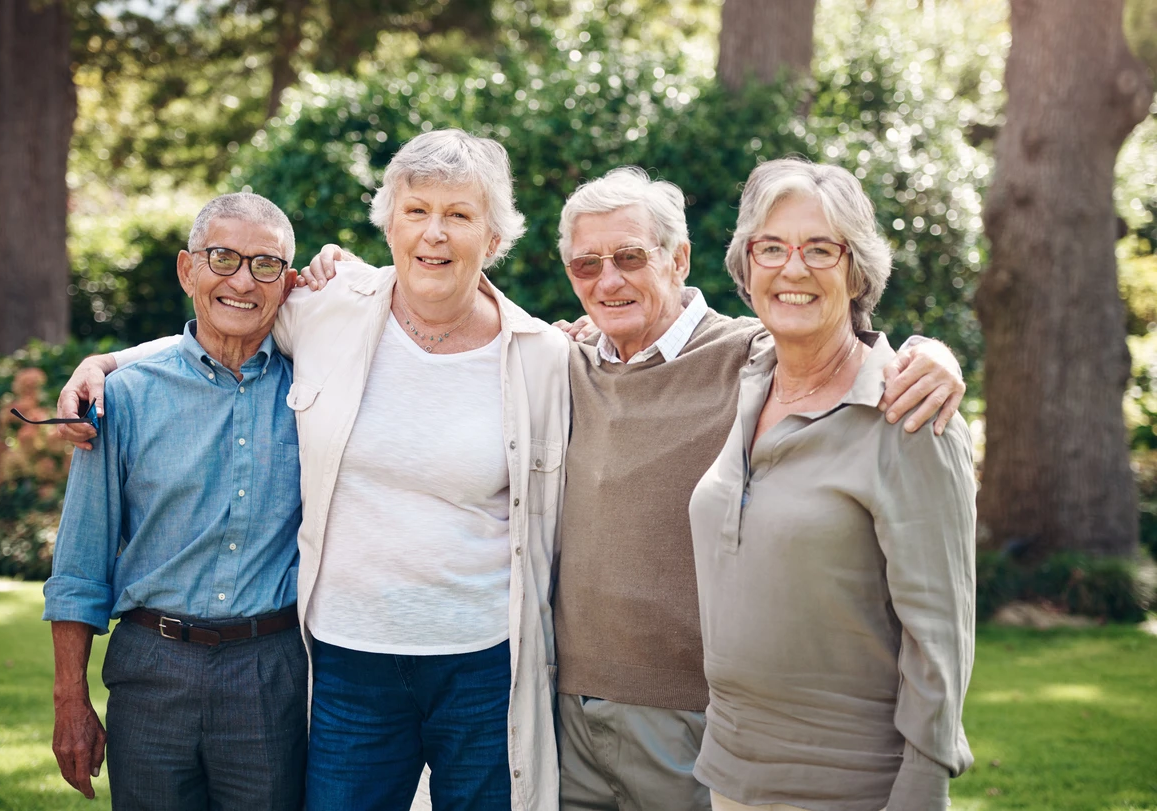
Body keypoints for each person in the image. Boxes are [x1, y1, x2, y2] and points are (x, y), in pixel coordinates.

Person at [299, 165, 966, 811]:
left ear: (678, 260)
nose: (607, 279)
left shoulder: (745, 358)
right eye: (587, 265)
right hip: (564, 709)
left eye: (629, 257)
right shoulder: (564, 361)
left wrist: (933, 356)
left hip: (689, 721)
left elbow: (828, 337)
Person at [56, 129, 570, 811]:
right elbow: (225, 322)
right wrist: (109, 365)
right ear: (389, 223)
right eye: (416, 210)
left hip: (480, 659)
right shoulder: (334, 311)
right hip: (349, 657)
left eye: (460, 214)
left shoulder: (539, 355)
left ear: (494, 238)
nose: (434, 234)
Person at [688, 157, 975, 811]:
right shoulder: (745, 370)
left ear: (856, 269)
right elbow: (639, 328)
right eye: (772, 248)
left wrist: (921, 790)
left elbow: (940, 637)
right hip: (730, 772)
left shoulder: (909, 413)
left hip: (850, 786)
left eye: (820, 248)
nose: (793, 269)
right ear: (747, 264)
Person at [42, 192, 308, 809]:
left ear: (288, 283)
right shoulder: (124, 397)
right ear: (188, 270)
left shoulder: (318, 389)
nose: (242, 280)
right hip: (150, 672)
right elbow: (80, 565)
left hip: (271, 675)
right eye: (222, 258)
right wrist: (70, 700)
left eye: (265, 264)